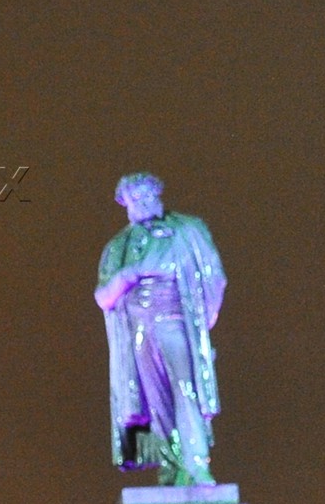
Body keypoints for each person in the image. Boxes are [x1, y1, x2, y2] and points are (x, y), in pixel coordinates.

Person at [95, 172, 226, 486]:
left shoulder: (185, 231)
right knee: (156, 403)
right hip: (138, 332)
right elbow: (103, 297)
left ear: (157, 196)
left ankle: (196, 464)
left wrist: (202, 328)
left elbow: (215, 278)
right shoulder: (119, 246)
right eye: (133, 200)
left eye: (145, 196)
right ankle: (172, 466)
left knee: (185, 390)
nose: (140, 204)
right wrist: (131, 274)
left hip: (174, 321)